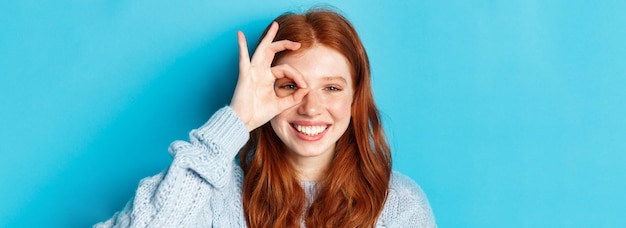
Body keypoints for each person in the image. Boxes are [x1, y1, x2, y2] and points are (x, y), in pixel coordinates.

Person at [94, 8, 436, 228]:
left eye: (331, 88)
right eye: (290, 86)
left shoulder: (398, 205)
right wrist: (237, 118)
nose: (312, 108)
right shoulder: (216, 194)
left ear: (355, 98)